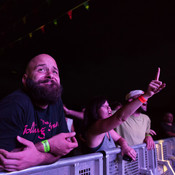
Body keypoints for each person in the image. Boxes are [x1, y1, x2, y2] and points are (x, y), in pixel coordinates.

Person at [0, 54, 78, 172]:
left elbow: (62, 148)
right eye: (41, 69)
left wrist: (37, 157)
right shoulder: (15, 104)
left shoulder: (56, 103)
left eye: (55, 72)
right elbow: (5, 160)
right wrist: (48, 146)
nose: (50, 75)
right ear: (25, 80)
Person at [83, 77, 165, 159]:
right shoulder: (96, 127)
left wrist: (125, 146)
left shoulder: (107, 130)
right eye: (105, 107)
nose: (109, 109)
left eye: (109, 106)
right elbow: (120, 117)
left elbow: (120, 139)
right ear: (95, 110)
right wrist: (146, 95)